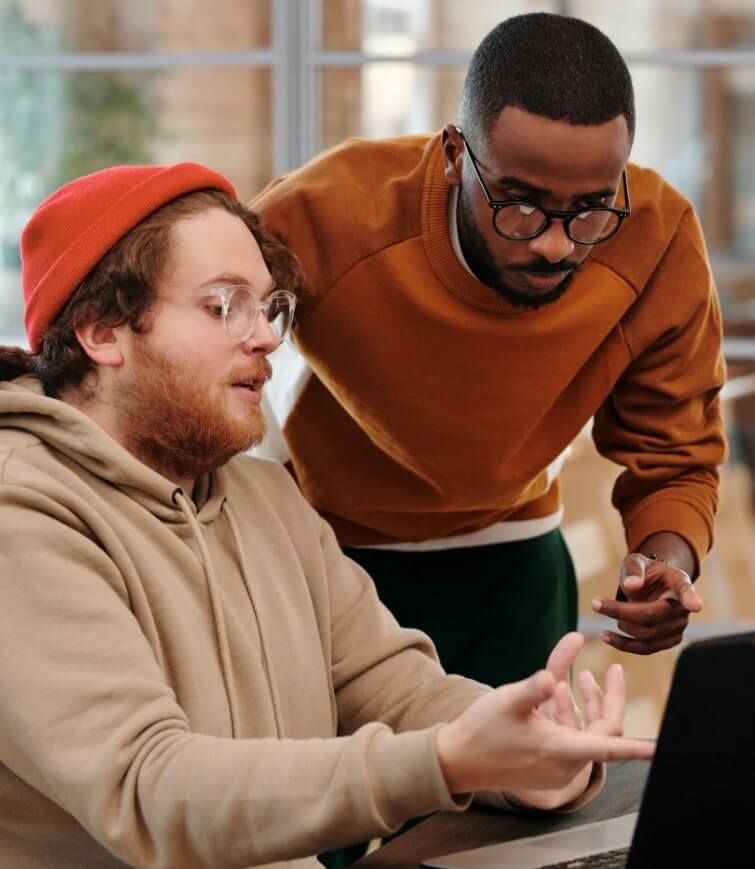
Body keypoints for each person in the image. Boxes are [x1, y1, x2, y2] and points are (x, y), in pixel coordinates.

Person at [0, 163, 653, 869]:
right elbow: (147, 788)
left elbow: (389, 685)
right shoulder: (23, 514)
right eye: (223, 305)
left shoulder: (267, 497)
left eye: (267, 307)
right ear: (102, 332)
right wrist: (443, 760)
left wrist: (530, 755)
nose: (265, 338)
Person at [252, 12, 727, 686]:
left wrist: (665, 563)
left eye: (590, 207)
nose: (555, 244)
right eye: (519, 203)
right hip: (324, 554)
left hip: (513, 561)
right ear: (454, 155)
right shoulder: (323, 213)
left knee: (524, 758)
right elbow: (199, 352)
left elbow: (676, 454)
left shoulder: (659, 237)